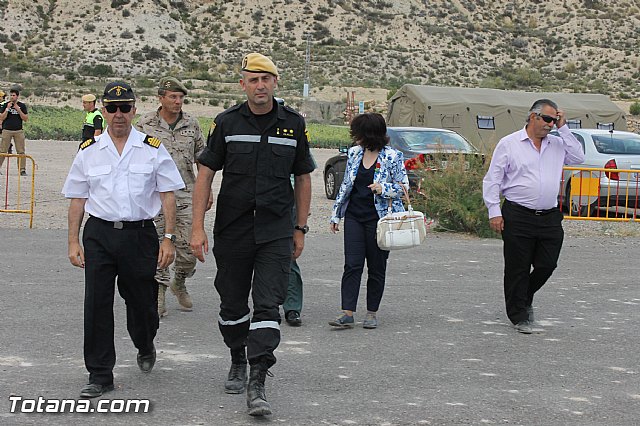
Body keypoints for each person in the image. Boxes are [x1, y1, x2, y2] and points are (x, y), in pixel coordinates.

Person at [190, 52, 315, 417]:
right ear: (243, 84)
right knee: (231, 304)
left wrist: (300, 228)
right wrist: (197, 227)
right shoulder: (226, 122)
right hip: (233, 229)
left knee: (267, 304)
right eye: (253, 79)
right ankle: (236, 358)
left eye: (266, 79)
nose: (260, 86)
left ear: (275, 83)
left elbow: (304, 177)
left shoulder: (293, 124)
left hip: (276, 230)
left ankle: (258, 377)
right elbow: (206, 174)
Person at [62, 81, 184, 398]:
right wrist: (73, 241)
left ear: (134, 110)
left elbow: (167, 195)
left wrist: (168, 238)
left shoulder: (152, 148)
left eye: (125, 108)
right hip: (100, 234)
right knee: (97, 304)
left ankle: (145, 342)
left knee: (143, 305)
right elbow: (77, 199)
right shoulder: (89, 152)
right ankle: (100, 374)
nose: (118, 114)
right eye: (112, 108)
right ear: (103, 110)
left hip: (139, 236)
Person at [482, 99, 585, 334]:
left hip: (549, 216)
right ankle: (519, 314)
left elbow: (579, 158)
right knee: (517, 267)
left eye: (554, 120)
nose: (550, 124)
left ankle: (524, 295)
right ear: (533, 117)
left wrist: (564, 127)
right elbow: (493, 179)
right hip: (517, 213)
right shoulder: (509, 144)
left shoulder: (558, 145)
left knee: (547, 264)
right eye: (547, 119)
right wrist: (494, 211)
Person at [135, 76, 212, 318]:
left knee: (190, 250)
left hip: (187, 193)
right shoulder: (145, 124)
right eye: (173, 97)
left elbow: (203, 157)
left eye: (181, 98)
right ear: (161, 98)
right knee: (159, 245)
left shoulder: (192, 123)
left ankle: (180, 280)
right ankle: (159, 293)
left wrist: (207, 189)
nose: (178, 102)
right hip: (155, 195)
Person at [328, 112, 409, 330]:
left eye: (358, 133)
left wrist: (384, 189)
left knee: (376, 267)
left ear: (369, 134)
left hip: (380, 220)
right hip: (354, 216)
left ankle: (372, 312)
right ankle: (347, 313)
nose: (355, 137)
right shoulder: (354, 153)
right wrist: (336, 214)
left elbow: (404, 188)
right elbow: (346, 185)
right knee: (352, 265)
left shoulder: (392, 156)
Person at [0, 88, 29, 176]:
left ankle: (22, 170)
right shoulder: (5, 105)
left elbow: (25, 118)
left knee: (21, 151)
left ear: (17, 96)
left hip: (18, 131)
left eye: (14, 95)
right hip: (7, 130)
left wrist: (18, 110)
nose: (12, 97)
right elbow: (1, 117)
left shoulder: (22, 105)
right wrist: (7, 109)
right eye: (11, 95)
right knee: (3, 150)